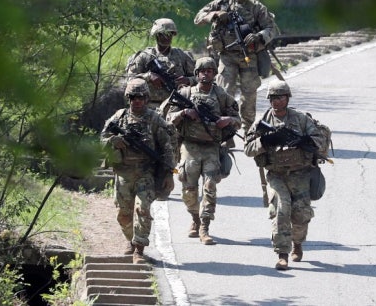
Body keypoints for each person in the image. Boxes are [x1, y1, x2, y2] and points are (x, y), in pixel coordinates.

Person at [243, 80, 327, 270]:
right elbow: (247, 148)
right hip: (276, 174)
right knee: (281, 210)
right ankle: (282, 254)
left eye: (280, 97)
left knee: (300, 214)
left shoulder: (301, 119)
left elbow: (320, 141)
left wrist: (303, 140)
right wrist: (265, 141)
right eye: (273, 98)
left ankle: (297, 243)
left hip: (301, 174)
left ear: (287, 98)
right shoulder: (261, 122)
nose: (277, 101)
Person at [160, 57, 241, 245]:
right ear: (196, 74)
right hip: (189, 146)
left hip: (212, 147)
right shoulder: (185, 93)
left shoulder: (221, 96)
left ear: (214, 74)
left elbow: (238, 120)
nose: (206, 74)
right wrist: (183, 113)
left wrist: (227, 120)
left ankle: (204, 226)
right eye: (203, 71)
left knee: (210, 186)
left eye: (210, 71)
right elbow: (167, 118)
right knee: (189, 188)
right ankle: (194, 218)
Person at [100, 78, 175, 263]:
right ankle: (130, 241)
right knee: (123, 214)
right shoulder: (119, 117)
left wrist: (168, 173)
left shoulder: (154, 119)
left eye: (141, 97)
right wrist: (113, 141)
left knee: (143, 209)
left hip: (146, 172)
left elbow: (166, 147)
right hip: (123, 173)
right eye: (133, 97)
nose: (137, 101)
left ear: (147, 98)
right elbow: (102, 139)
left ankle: (139, 250)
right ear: (128, 98)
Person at [194, 0, 276, 133]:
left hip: (249, 56)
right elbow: (198, 18)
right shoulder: (222, 3)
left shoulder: (257, 8)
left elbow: (271, 28)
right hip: (227, 55)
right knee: (225, 93)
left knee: (249, 94)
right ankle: (227, 131)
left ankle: (247, 130)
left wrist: (259, 36)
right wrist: (215, 14)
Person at [126, 18, 196, 110]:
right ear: (156, 35)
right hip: (149, 107)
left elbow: (201, 78)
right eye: (162, 35)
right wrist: (149, 76)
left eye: (169, 34)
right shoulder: (144, 56)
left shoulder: (182, 56)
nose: (166, 38)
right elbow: (130, 80)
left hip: (176, 107)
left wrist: (188, 80)